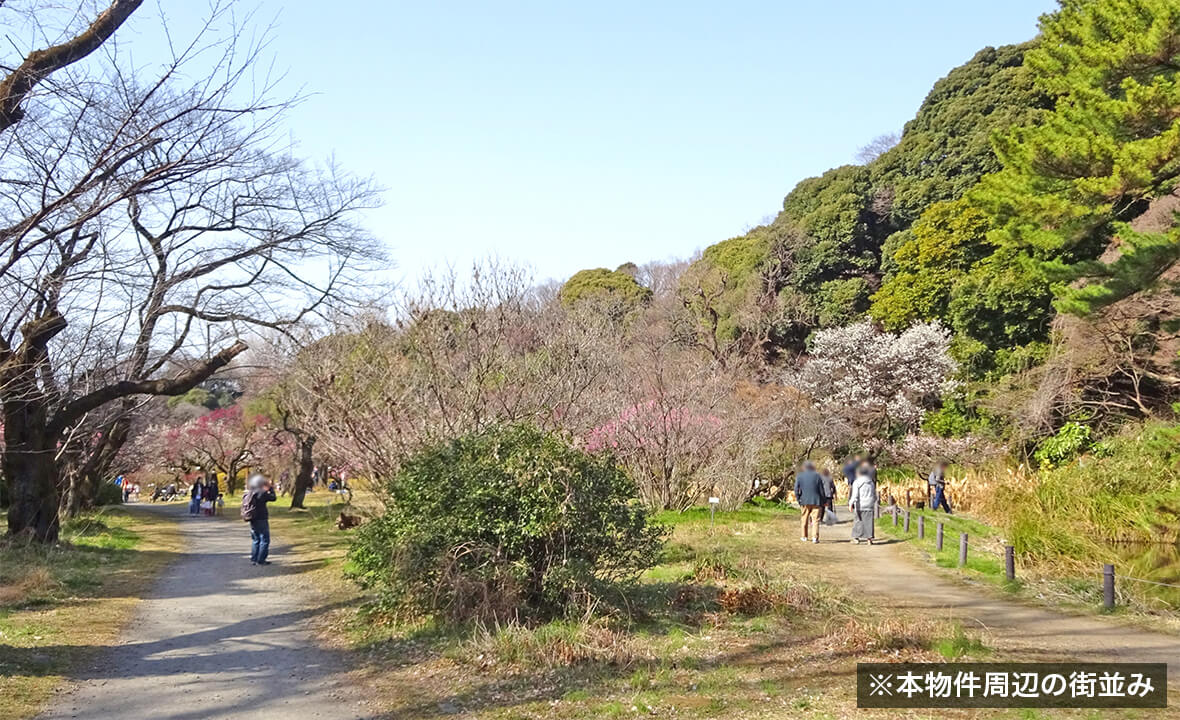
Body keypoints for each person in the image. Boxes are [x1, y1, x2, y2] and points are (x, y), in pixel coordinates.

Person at [245, 474, 277, 565]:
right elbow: (273, 498)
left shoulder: (251, 492)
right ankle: (261, 559)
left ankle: (254, 558)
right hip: (261, 517)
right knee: (264, 539)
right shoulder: (262, 493)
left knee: (256, 539)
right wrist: (270, 488)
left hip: (252, 517)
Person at [794, 460, 826, 543]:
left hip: (804, 500)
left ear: (804, 467)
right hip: (816, 501)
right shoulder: (817, 476)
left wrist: (798, 499)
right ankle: (815, 538)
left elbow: (796, 489)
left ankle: (804, 536)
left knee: (804, 519)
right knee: (815, 520)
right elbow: (821, 490)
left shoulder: (800, 476)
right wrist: (824, 500)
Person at [849, 467, 878, 544]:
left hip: (860, 504)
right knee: (869, 521)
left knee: (858, 521)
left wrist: (850, 503)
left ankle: (856, 538)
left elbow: (854, 495)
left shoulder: (857, 482)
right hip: (869, 504)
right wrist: (873, 501)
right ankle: (869, 539)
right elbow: (874, 494)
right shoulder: (871, 482)